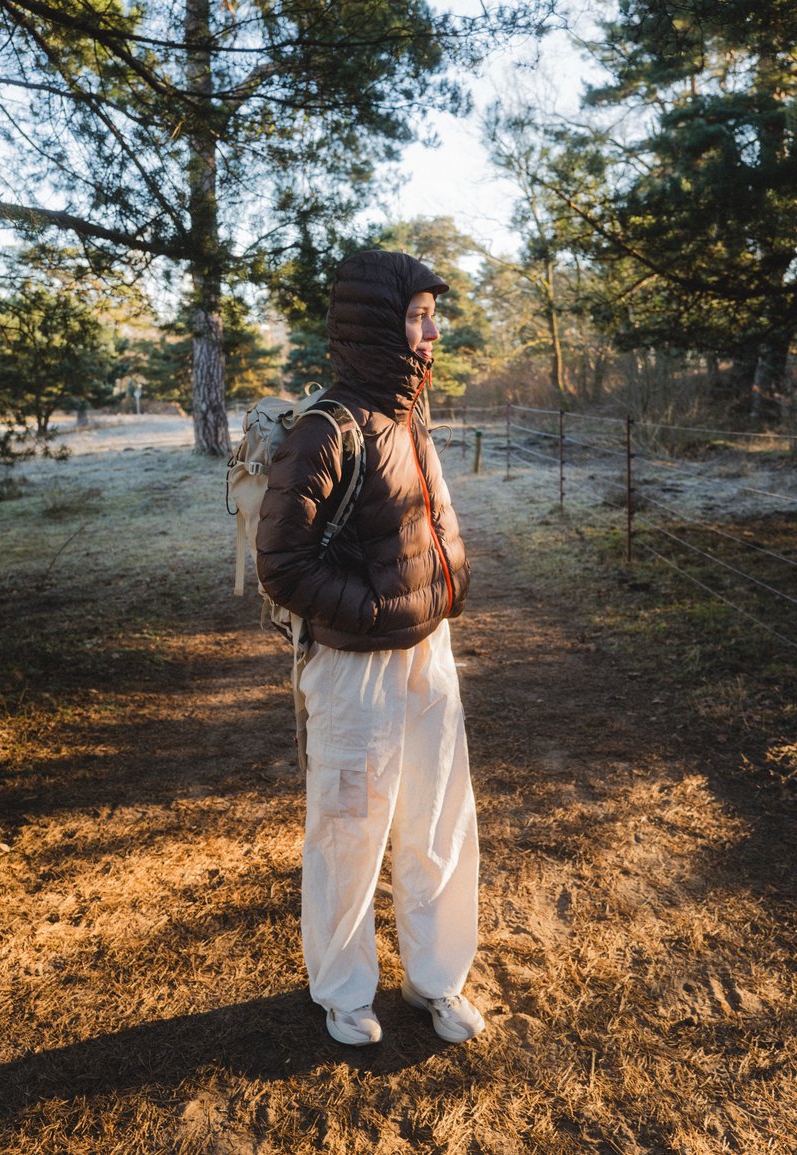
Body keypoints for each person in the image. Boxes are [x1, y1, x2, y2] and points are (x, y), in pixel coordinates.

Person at [256, 249, 484, 1047]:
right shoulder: (325, 430)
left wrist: (448, 587)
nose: (433, 331)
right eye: (419, 316)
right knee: (350, 833)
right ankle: (346, 992)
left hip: (431, 655)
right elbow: (282, 564)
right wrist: (376, 610)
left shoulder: (409, 414)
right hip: (355, 671)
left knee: (439, 823)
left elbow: (430, 519)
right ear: (377, 324)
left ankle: (437, 981)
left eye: (432, 315)